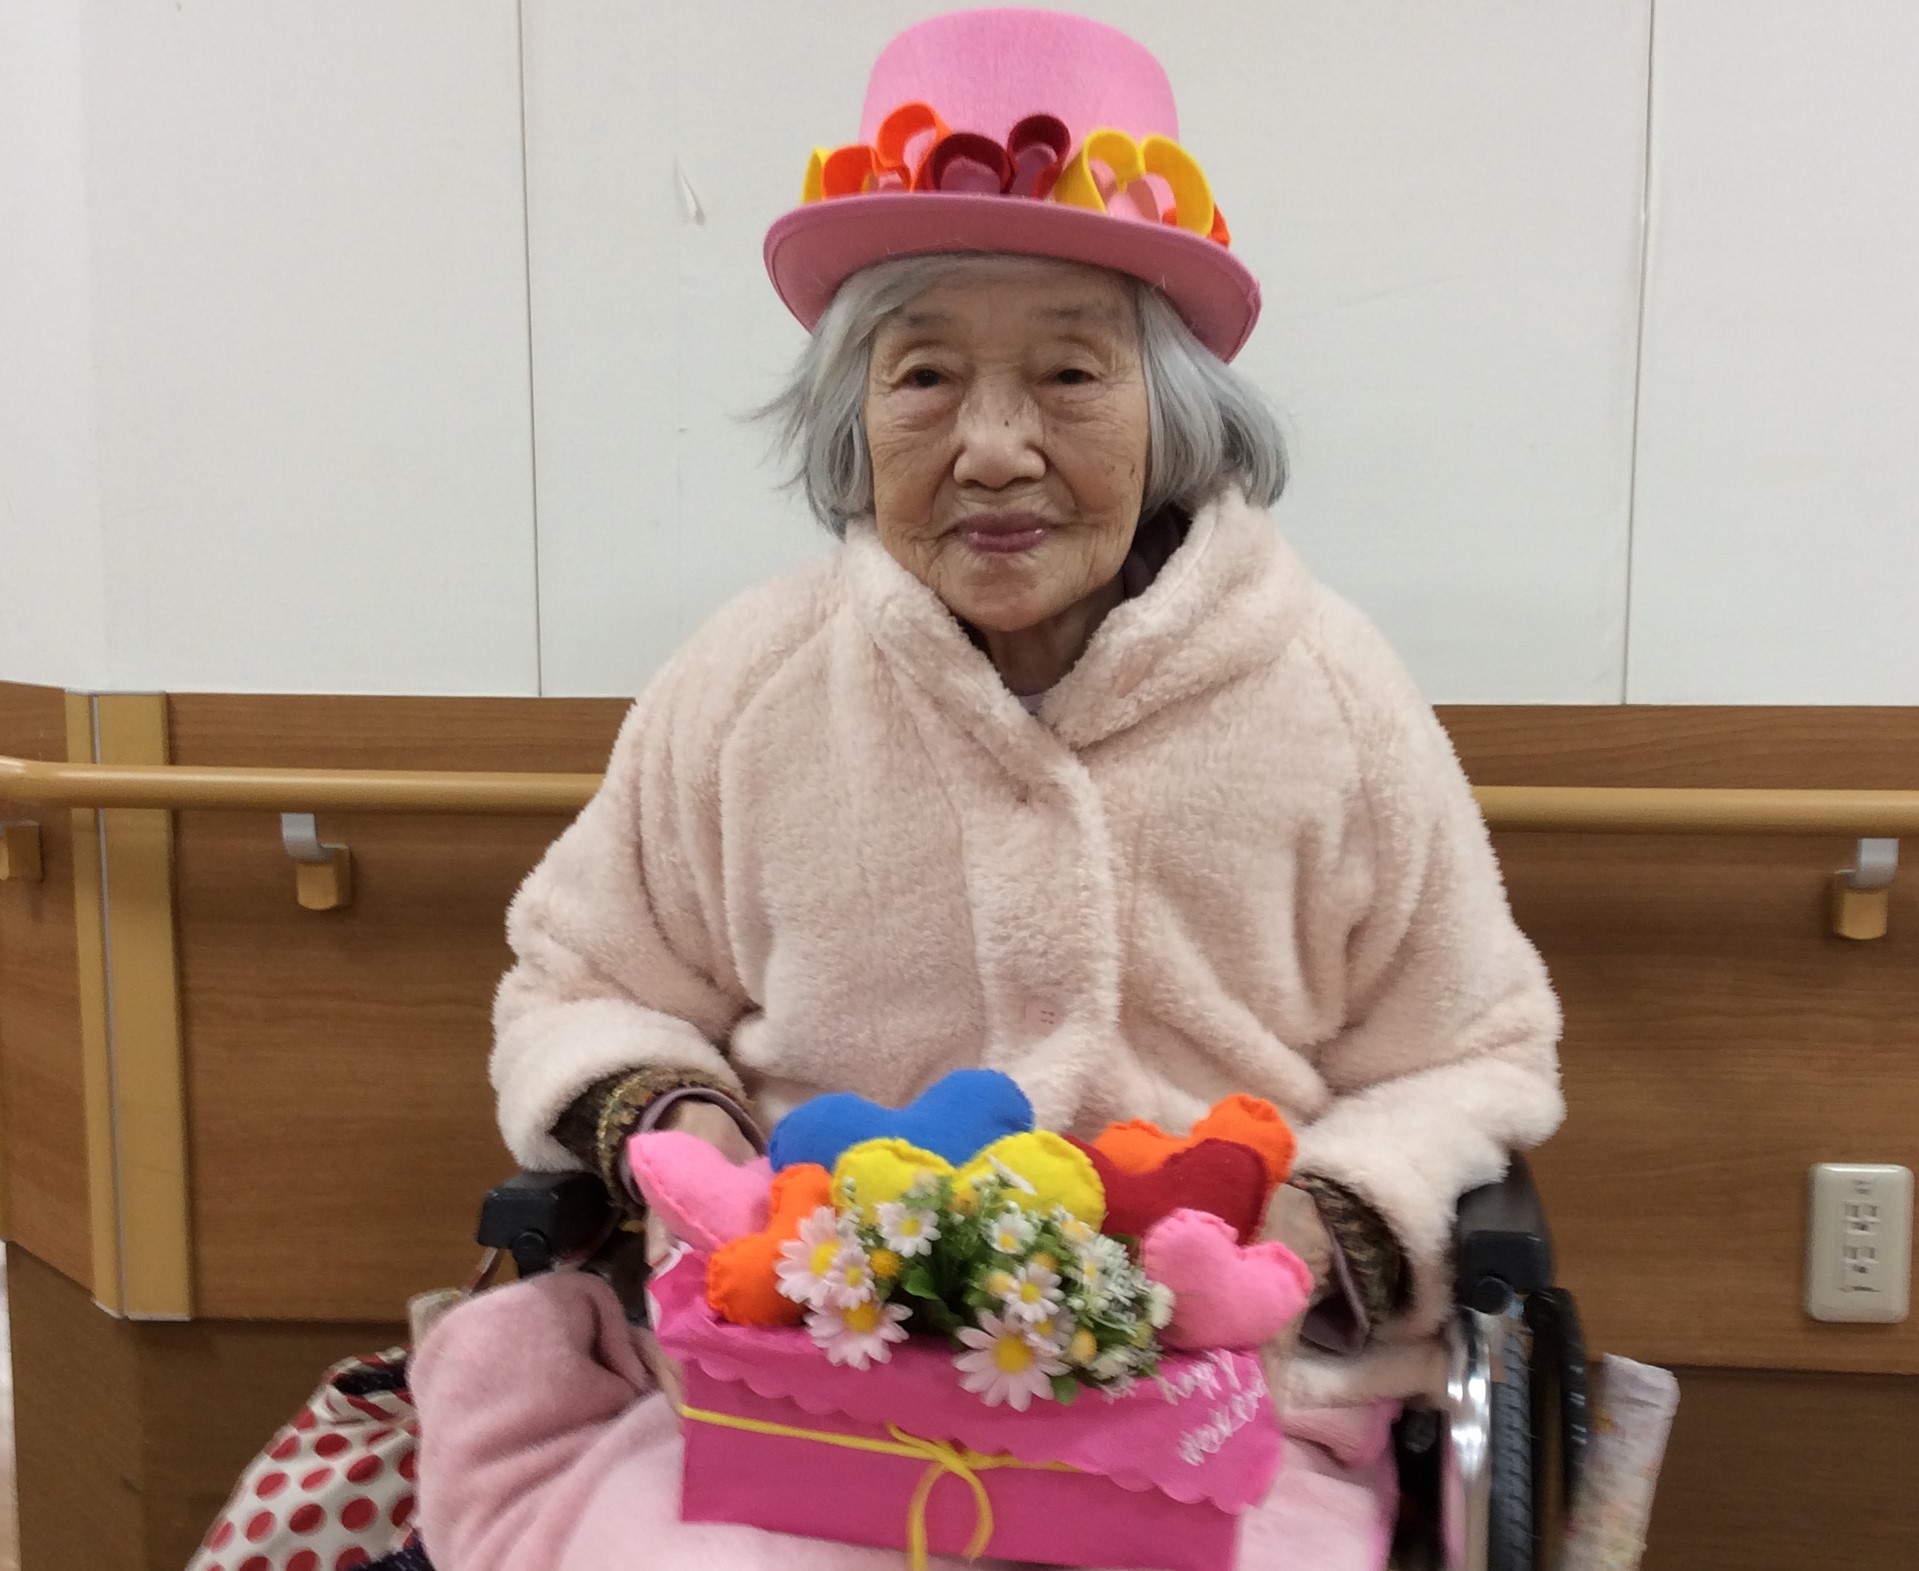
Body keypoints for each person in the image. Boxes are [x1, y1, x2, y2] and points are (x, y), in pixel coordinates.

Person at [415, 12, 1562, 1568]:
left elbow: (1473, 1051)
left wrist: (1318, 1226)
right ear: (854, 417)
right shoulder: (750, 686)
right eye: (926, 375)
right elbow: (581, 980)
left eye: (1071, 372)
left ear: (1172, 413)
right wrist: (685, 1136)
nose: (997, 447)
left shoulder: (1329, 698)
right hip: (809, 1387)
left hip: (1220, 1400)